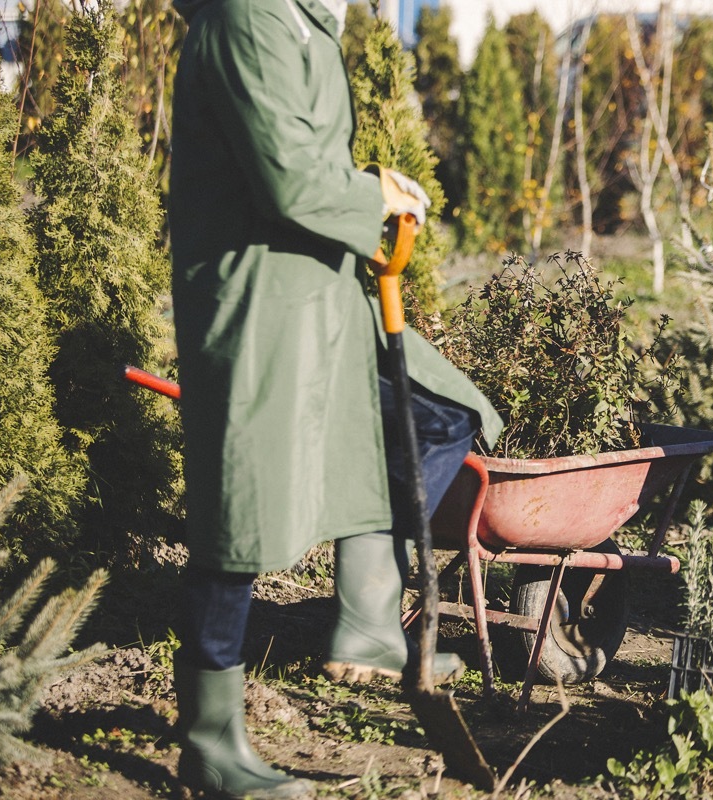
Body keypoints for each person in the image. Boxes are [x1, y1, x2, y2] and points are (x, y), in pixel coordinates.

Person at [169, 0, 501, 797]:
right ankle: (209, 738)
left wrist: (366, 195)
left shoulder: (299, 17)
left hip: (324, 291)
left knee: (439, 411)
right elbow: (286, 175)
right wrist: (373, 194)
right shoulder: (248, 18)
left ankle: (368, 623)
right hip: (260, 303)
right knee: (238, 519)